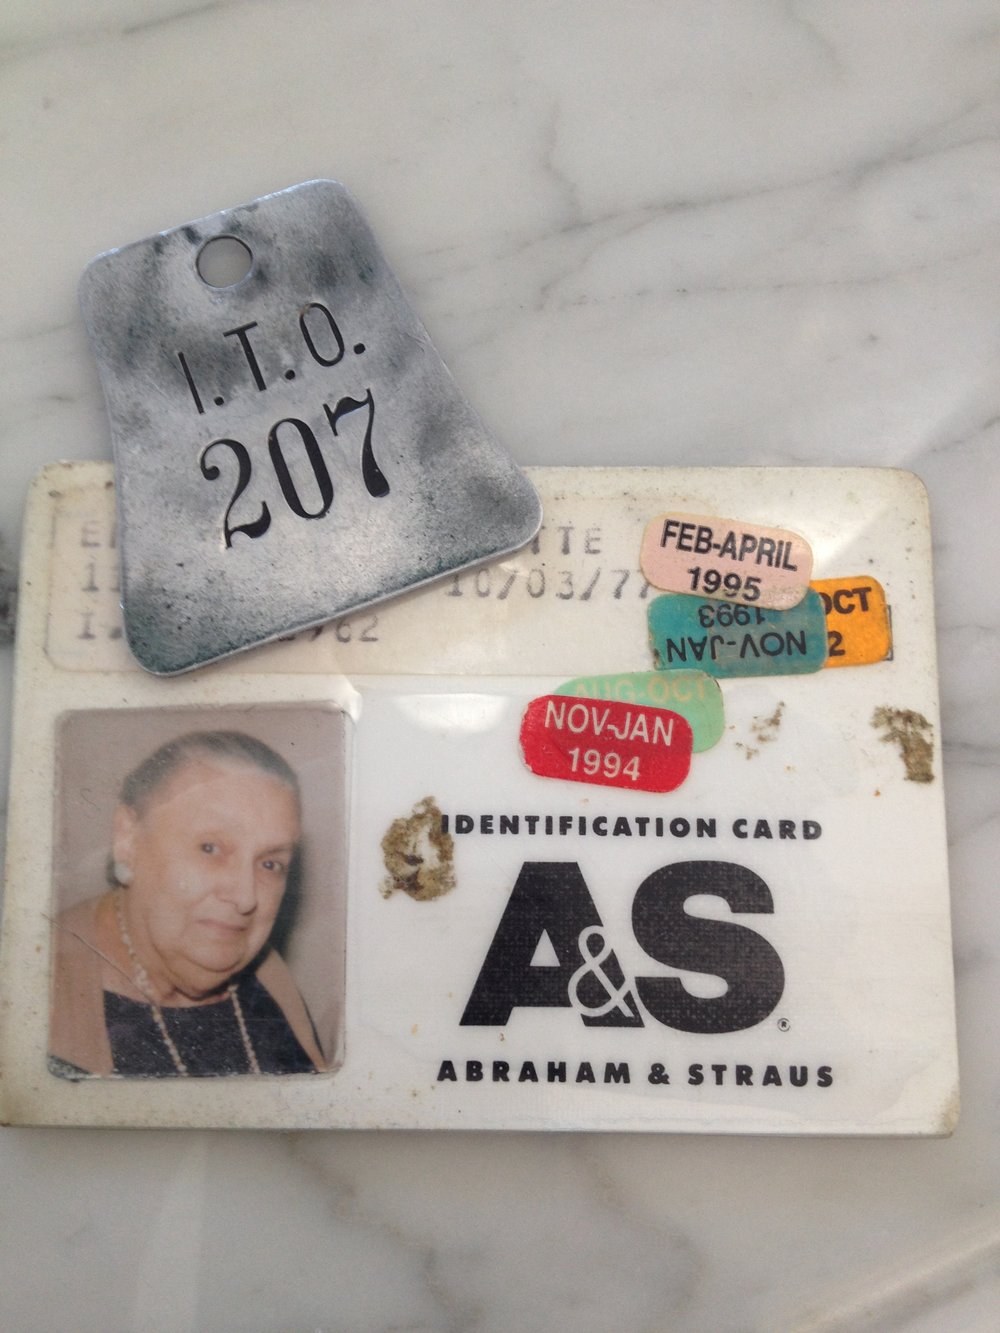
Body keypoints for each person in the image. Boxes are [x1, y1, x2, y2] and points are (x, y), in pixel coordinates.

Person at [49, 730, 325, 1078]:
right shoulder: (35, 1002)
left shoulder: (268, 976)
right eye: (210, 848)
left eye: (270, 864)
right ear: (127, 839)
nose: (245, 897)